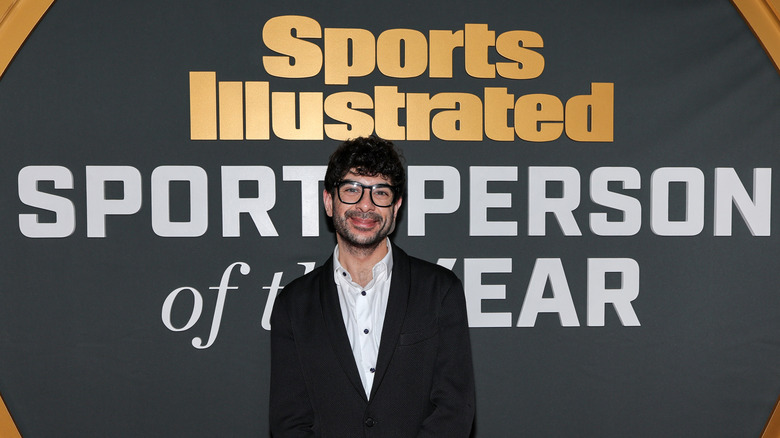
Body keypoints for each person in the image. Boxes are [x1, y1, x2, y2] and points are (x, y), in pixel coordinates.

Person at [269, 136, 475, 437]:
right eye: (352, 190)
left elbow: (454, 409)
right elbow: (289, 419)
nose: (365, 205)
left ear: (396, 206)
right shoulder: (295, 303)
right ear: (329, 201)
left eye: (380, 192)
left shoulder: (440, 290)